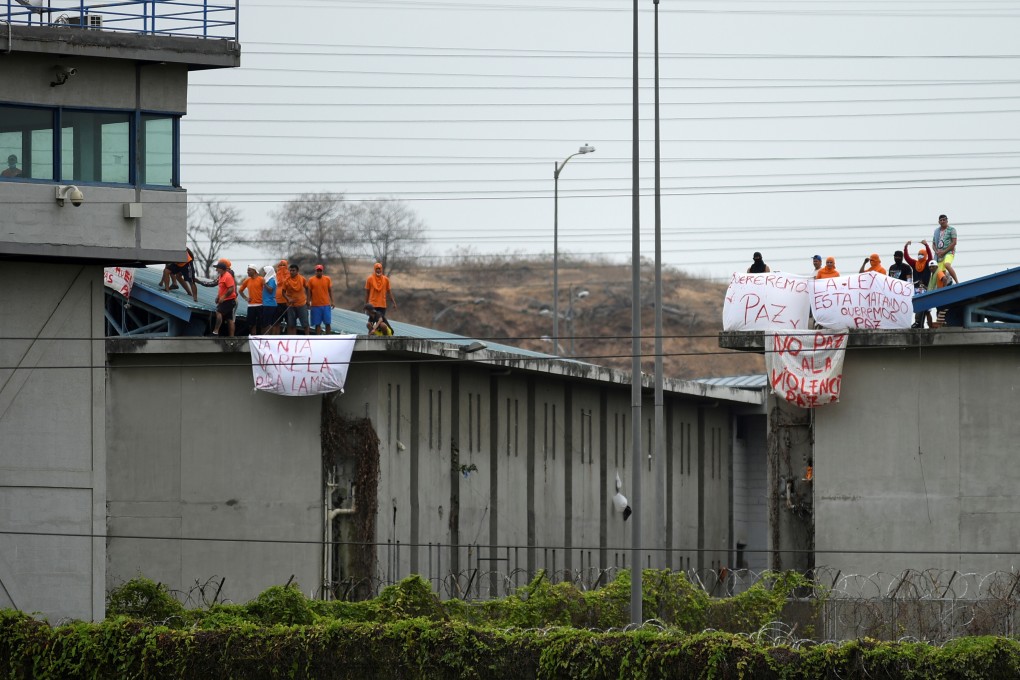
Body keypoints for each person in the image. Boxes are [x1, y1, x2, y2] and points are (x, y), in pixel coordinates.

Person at [904, 240, 935, 328]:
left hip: (925, 289)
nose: (920, 256)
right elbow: (907, 258)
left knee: (928, 310)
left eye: (922, 254)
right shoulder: (915, 264)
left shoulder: (928, 264)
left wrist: (926, 245)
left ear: (924, 255)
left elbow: (930, 256)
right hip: (916, 289)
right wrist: (905, 247)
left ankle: (931, 327)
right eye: (919, 254)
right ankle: (918, 323)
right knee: (918, 307)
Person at [282, 263, 310, 335]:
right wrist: (288, 299)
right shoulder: (286, 280)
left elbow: (307, 288)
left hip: (301, 304)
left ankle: (308, 339)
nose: (291, 272)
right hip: (291, 305)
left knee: (305, 324)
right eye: (290, 270)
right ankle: (293, 340)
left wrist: (308, 300)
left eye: (293, 270)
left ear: (297, 271)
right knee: (291, 325)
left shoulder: (302, 279)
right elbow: (283, 292)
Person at [211, 259, 236, 337]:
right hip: (225, 299)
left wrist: (223, 297)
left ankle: (215, 332)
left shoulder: (227, 276)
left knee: (218, 312)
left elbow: (231, 289)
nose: (216, 269)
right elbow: (221, 288)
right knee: (229, 318)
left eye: (217, 268)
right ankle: (231, 337)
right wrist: (218, 297)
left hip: (228, 300)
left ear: (221, 269)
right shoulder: (221, 276)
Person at [307, 264, 334, 335]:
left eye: (320, 271)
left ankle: (328, 337)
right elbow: (309, 292)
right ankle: (318, 338)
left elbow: (330, 290)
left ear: (322, 271)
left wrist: (332, 301)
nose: (319, 272)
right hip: (315, 305)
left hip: (326, 305)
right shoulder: (311, 280)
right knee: (317, 323)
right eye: (317, 271)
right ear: (315, 271)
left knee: (328, 323)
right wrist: (308, 302)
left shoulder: (327, 279)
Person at [238, 265, 264, 335]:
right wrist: (245, 298)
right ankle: (253, 337)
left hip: (260, 305)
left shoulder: (261, 279)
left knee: (260, 324)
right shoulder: (247, 280)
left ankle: (260, 337)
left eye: (249, 270)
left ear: (254, 271)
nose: (247, 272)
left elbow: (267, 290)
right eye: (247, 270)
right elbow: (240, 290)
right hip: (251, 305)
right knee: (251, 324)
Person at [932, 214, 959, 283]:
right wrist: (937, 252)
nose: (942, 221)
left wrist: (944, 252)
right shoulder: (936, 231)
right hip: (939, 255)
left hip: (949, 252)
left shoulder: (952, 230)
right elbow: (933, 244)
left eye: (944, 220)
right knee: (940, 274)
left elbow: (954, 243)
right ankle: (944, 287)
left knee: (947, 264)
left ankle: (957, 282)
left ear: (947, 220)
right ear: (939, 222)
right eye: (941, 220)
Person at [272, 259, 291, 333]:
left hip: (287, 302)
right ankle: (275, 338)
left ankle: (290, 338)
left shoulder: (290, 276)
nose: (282, 267)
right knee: (276, 322)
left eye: (284, 265)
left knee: (290, 323)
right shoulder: (275, 276)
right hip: (277, 302)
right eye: (280, 265)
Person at [261, 265, 279, 335]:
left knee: (267, 323)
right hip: (266, 303)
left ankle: (267, 337)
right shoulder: (267, 279)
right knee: (266, 322)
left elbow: (271, 290)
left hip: (269, 304)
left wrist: (264, 284)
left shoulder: (271, 280)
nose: (263, 273)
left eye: (264, 271)